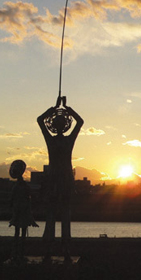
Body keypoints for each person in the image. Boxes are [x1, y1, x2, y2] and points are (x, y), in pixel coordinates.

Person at [38, 96, 83, 258]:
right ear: (65, 125)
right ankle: (66, 247)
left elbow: (39, 120)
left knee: (51, 214)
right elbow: (80, 122)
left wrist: (55, 106)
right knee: (65, 214)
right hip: (64, 180)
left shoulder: (50, 140)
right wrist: (67, 107)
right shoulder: (69, 140)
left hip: (53, 180)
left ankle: (49, 247)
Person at [9, 159, 38, 257]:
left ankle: (17, 251)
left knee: (17, 232)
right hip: (24, 210)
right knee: (22, 233)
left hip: (18, 209)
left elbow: (12, 199)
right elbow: (29, 199)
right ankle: (21, 251)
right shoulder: (24, 186)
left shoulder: (16, 186)